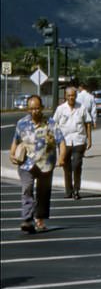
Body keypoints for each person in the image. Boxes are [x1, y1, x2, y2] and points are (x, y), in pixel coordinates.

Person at [9, 95, 66, 233]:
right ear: (28, 109)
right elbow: (16, 141)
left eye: (37, 108)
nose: (35, 111)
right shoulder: (21, 123)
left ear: (42, 108)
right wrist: (12, 154)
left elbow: (61, 141)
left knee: (43, 193)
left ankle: (39, 218)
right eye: (32, 108)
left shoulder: (51, 123)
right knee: (27, 188)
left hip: (45, 164)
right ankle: (27, 219)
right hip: (26, 164)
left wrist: (62, 157)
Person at [53, 86, 91, 199]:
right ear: (65, 96)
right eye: (69, 95)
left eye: (73, 95)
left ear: (76, 96)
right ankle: (68, 190)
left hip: (79, 140)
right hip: (64, 142)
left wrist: (89, 139)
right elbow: (54, 124)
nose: (71, 98)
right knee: (67, 167)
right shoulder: (60, 109)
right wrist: (56, 139)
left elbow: (87, 123)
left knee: (77, 165)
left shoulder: (82, 108)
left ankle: (76, 190)